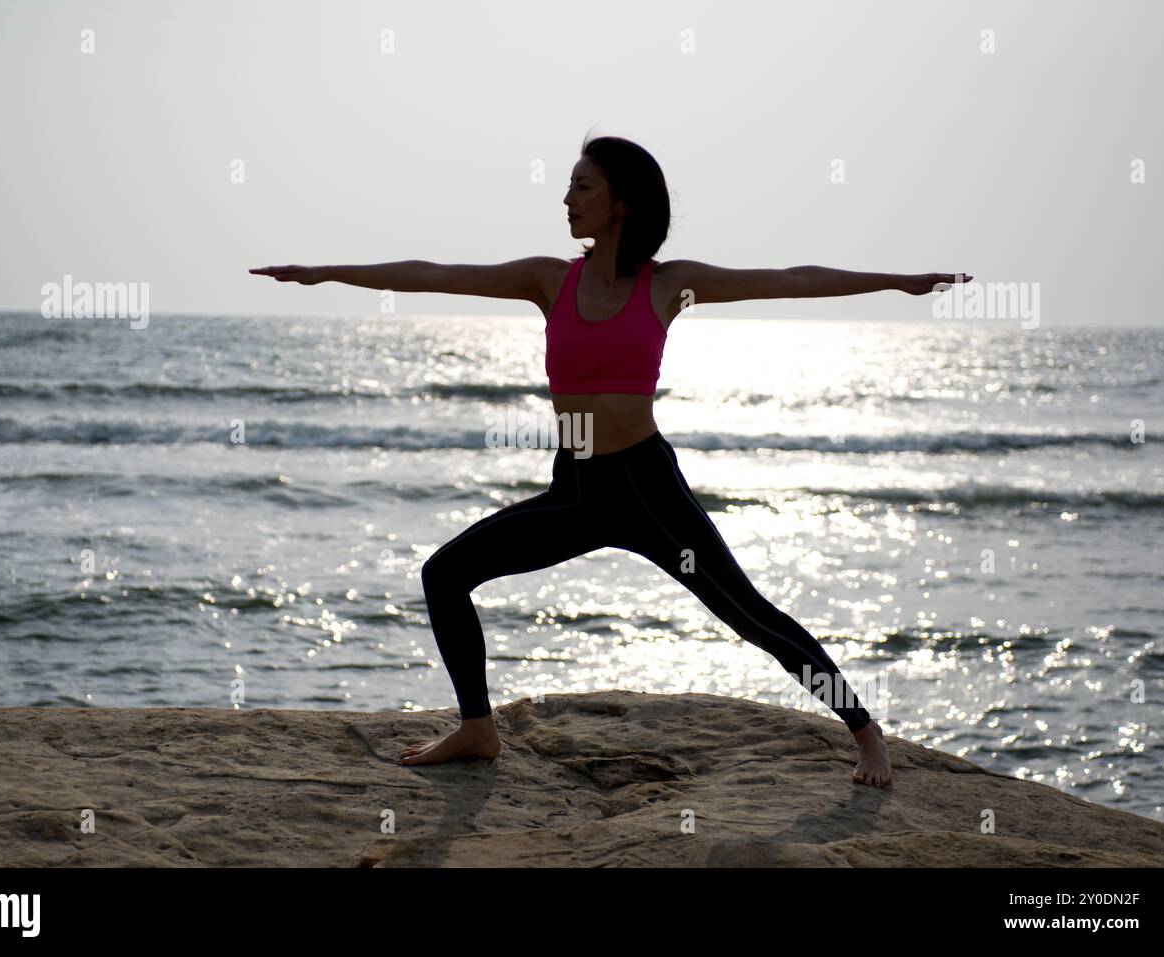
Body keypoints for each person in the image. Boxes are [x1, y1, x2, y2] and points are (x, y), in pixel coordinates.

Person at [251, 133, 972, 787]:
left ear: (623, 202)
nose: (566, 199)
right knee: (445, 574)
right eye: (568, 186)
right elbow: (434, 272)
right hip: (578, 488)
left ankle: (866, 732)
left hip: (645, 486)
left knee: (749, 615)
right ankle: (478, 728)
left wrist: (895, 282)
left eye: (582, 186)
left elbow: (790, 277)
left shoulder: (666, 284)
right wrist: (324, 272)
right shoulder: (547, 279)